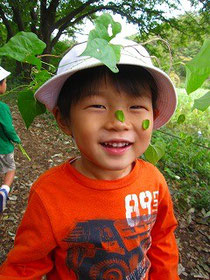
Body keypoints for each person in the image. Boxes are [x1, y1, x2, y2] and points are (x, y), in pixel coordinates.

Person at [0, 39, 180, 279]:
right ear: (64, 120)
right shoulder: (49, 195)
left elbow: (162, 240)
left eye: (136, 106)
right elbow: (23, 268)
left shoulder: (154, 182)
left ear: (154, 115)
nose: (119, 122)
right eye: (97, 105)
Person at [0, 66, 21, 213]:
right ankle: (4, 192)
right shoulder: (2, 107)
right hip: (4, 147)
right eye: (5, 82)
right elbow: (8, 128)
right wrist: (16, 139)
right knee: (11, 169)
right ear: (1, 85)